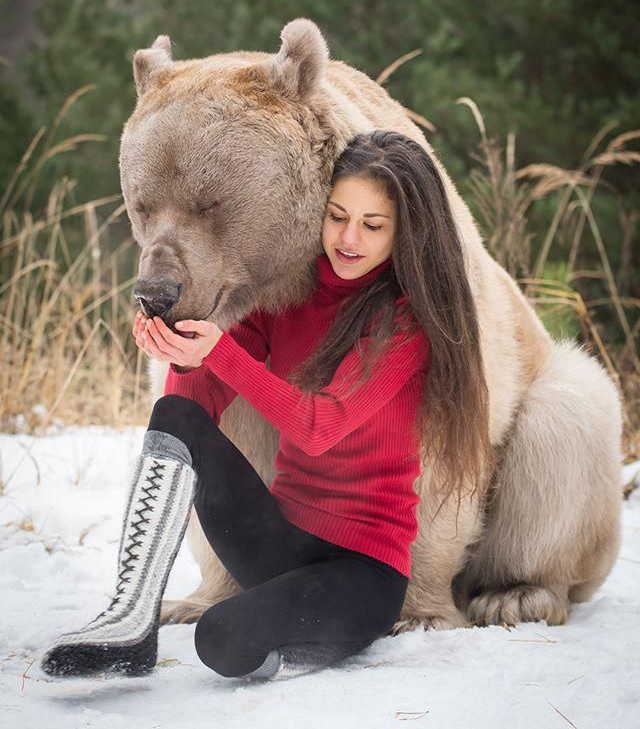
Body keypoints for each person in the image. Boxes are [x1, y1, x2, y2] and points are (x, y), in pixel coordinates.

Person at [40, 130, 489, 681]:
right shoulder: (286, 296)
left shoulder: (403, 323)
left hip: (362, 571)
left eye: (372, 226)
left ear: (406, 233)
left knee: (222, 639)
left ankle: (312, 635)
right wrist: (181, 355)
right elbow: (196, 408)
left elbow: (322, 426)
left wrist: (219, 350)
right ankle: (129, 617)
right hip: (279, 540)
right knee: (175, 413)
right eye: (337, 216)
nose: (348, 238)